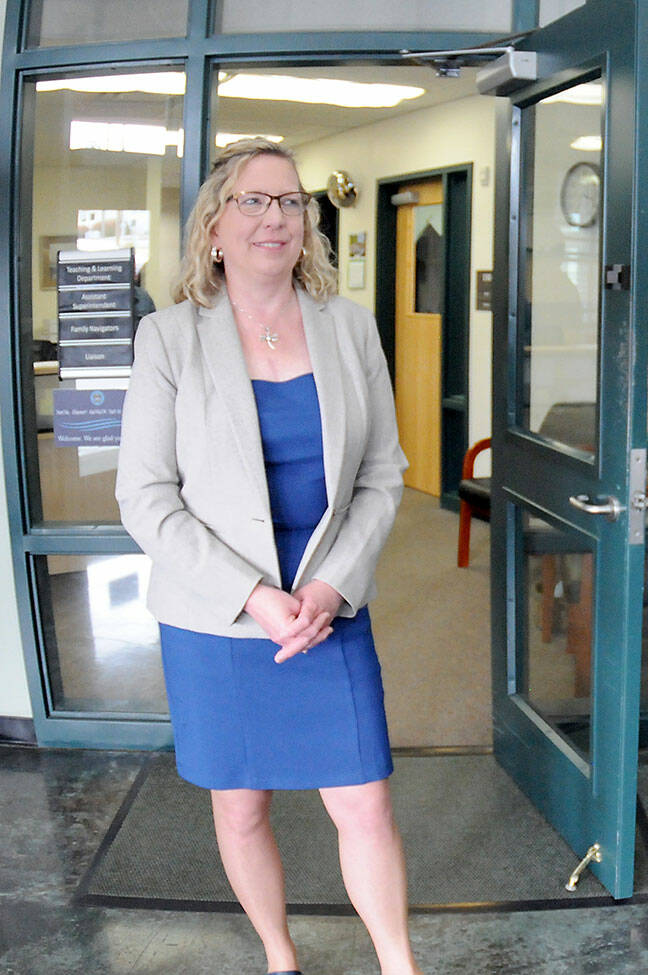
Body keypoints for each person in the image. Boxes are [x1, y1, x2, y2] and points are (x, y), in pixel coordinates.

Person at [116, 138, 418, 975]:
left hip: (328, 610)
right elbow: (146, 494)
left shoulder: (349, 327)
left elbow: (382, 473)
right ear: (215, 226)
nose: (275, 217)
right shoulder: (168, 338)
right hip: (218, 617)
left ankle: (400, 963)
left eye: (291, 200)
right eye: (252, 201)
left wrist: (331, 585)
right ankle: (281, 957)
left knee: (365, 802)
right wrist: (253, 594)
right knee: (241, 807)